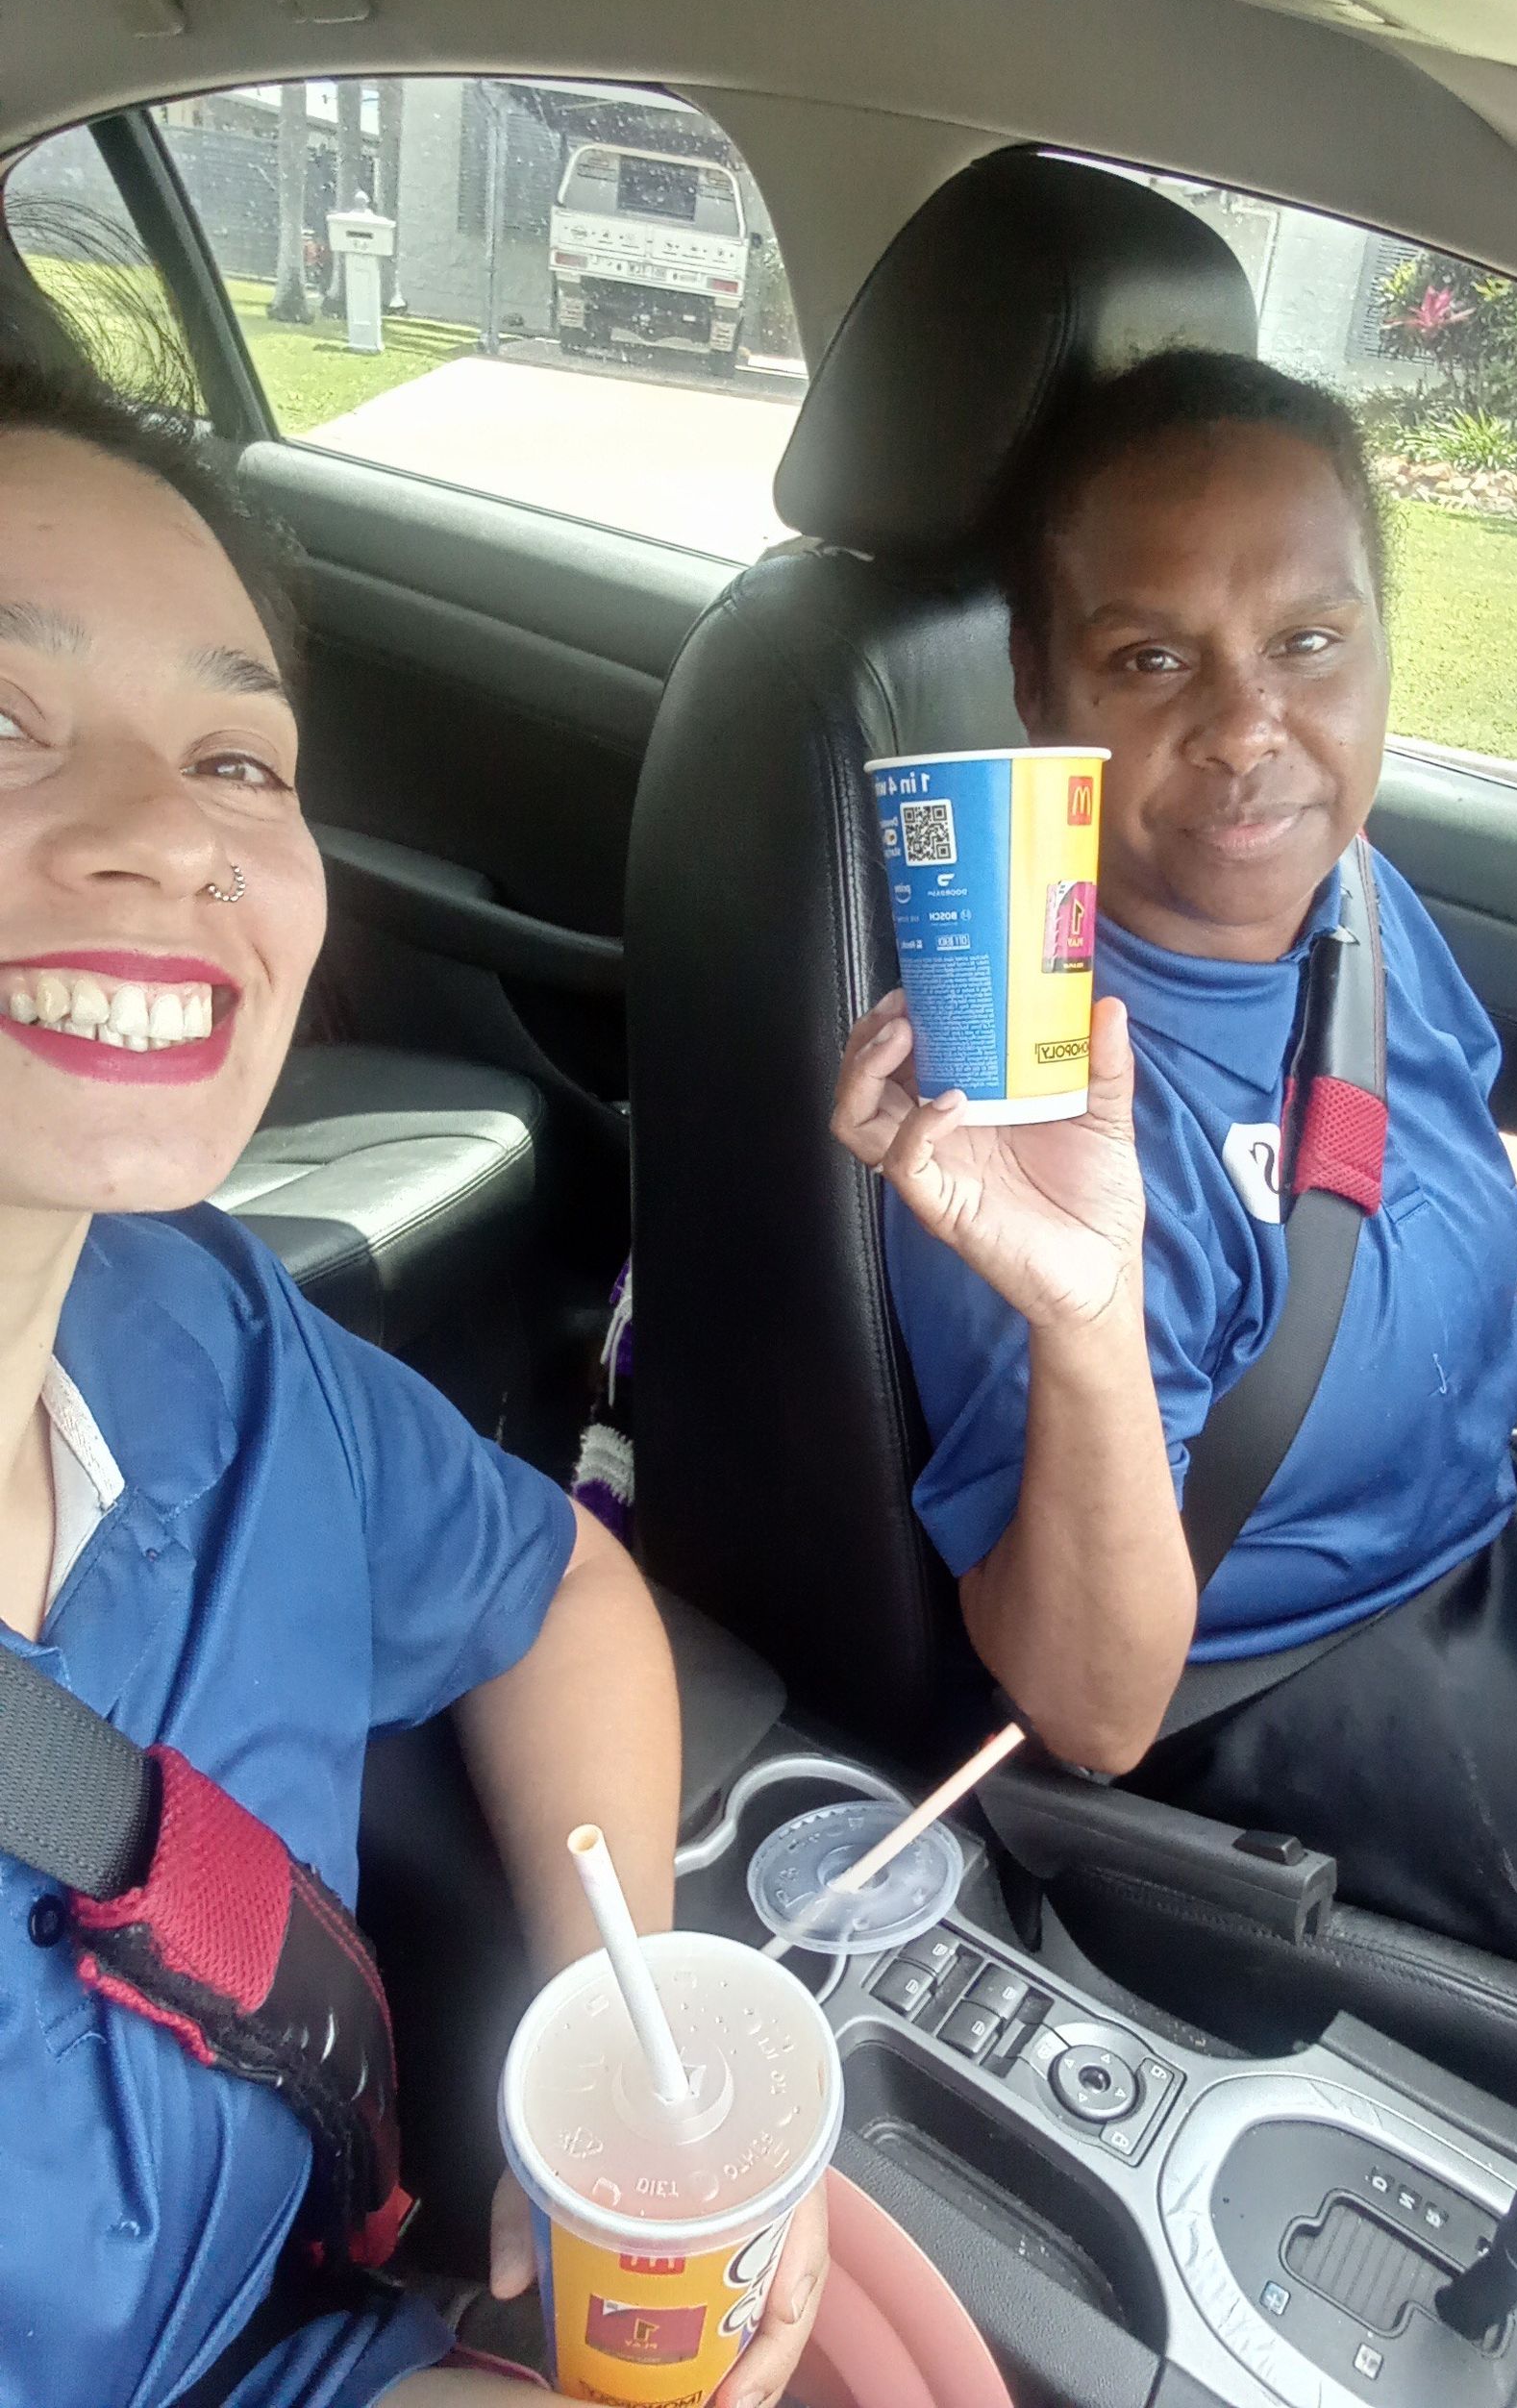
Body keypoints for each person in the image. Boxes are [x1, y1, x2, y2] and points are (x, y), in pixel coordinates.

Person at [833, 347, 1517, 2127]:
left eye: (1308, 643)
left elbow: (1416, 1172)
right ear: (1033, 681)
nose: (1246, 731)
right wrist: (1079, 1310)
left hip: (1508, 1511)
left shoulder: (1344, 904)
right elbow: (1088, 1703)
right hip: (1300, 1667)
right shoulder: (1025, 1083)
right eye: (1152, 659)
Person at [0, 357, 823, 2408]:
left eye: (237, 762)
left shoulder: (194, 1328)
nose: (164, 840)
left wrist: (599, 2042)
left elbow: (556, 1587)